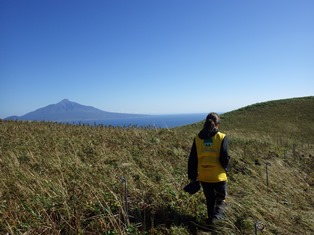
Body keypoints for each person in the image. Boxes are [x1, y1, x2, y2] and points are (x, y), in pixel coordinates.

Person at [187, 112, 230, 224]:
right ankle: (217, 223)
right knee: (220, 200)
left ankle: (210, 220)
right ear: (217, 124)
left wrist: (192, 177)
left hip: (204, 176)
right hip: (218, 176)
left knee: (210, 200)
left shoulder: (197, 138)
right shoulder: (222, 137)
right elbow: (224, 158)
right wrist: (226, 168)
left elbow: (192, 159)